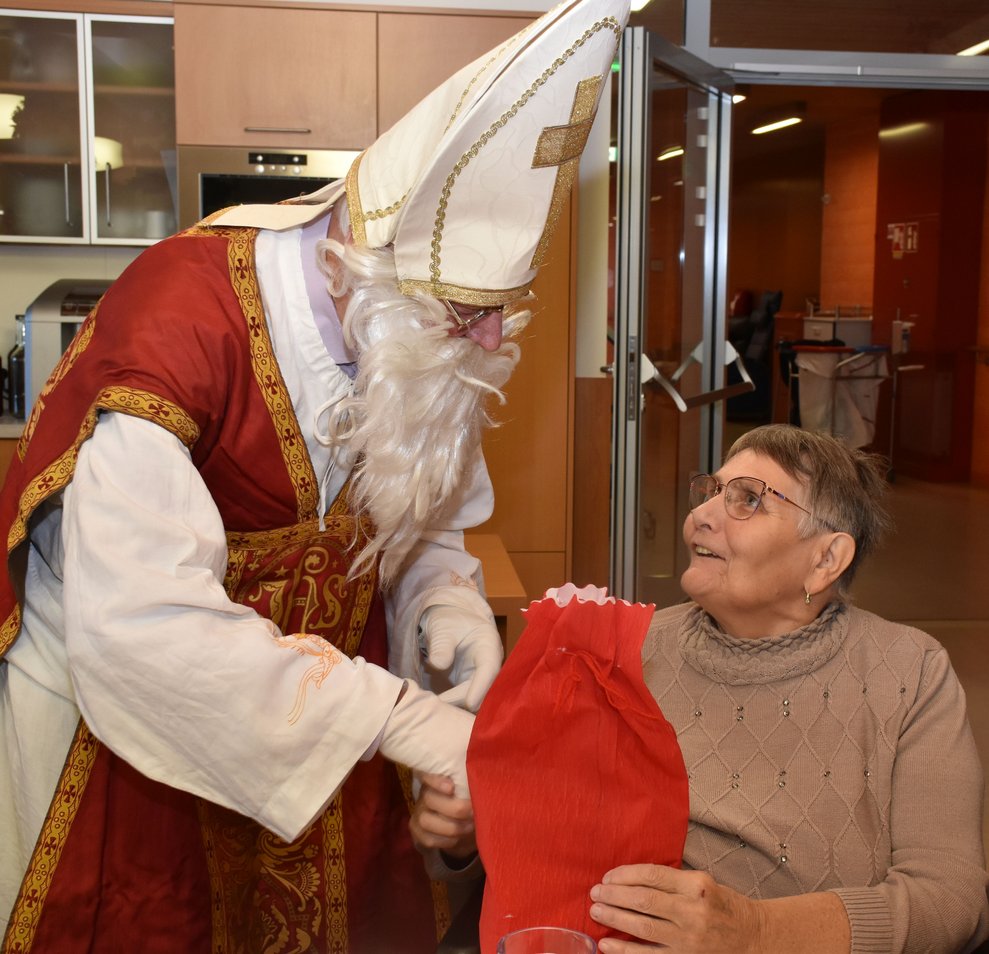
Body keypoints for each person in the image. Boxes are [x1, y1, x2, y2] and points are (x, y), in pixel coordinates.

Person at [0, 0, 628, 949]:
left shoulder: (414, 345)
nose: (492, 342)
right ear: (360, 273)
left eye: (502, 309)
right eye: (466, 311)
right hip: (129, 728)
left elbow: (424, 531)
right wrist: (405, 719)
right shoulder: (177, 324)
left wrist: (439, 609)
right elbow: (137, 623)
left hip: (330, 733)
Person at [586, 423, 989, 954]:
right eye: (710, 492)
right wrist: (463, 840)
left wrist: (757, 932)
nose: (699, 517)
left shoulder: (911, 673)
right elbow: (550, 826)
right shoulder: (627, 651)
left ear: (825, 560)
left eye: (748, 500)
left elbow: (949, 899)